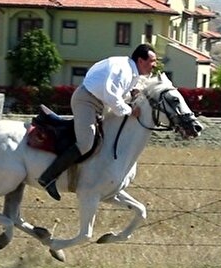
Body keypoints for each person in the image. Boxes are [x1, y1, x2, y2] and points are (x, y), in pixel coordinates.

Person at [37, 43, 158, 201]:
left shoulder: (131, 71)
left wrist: (133, 92)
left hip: (97, 102)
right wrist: (130, 110)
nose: (154, 65)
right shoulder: (124, 71)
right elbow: (112, 97)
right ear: (141, 61)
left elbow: (122, 91)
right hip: (86, 101)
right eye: (152, 61)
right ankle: (48, 177)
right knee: (86, 142)